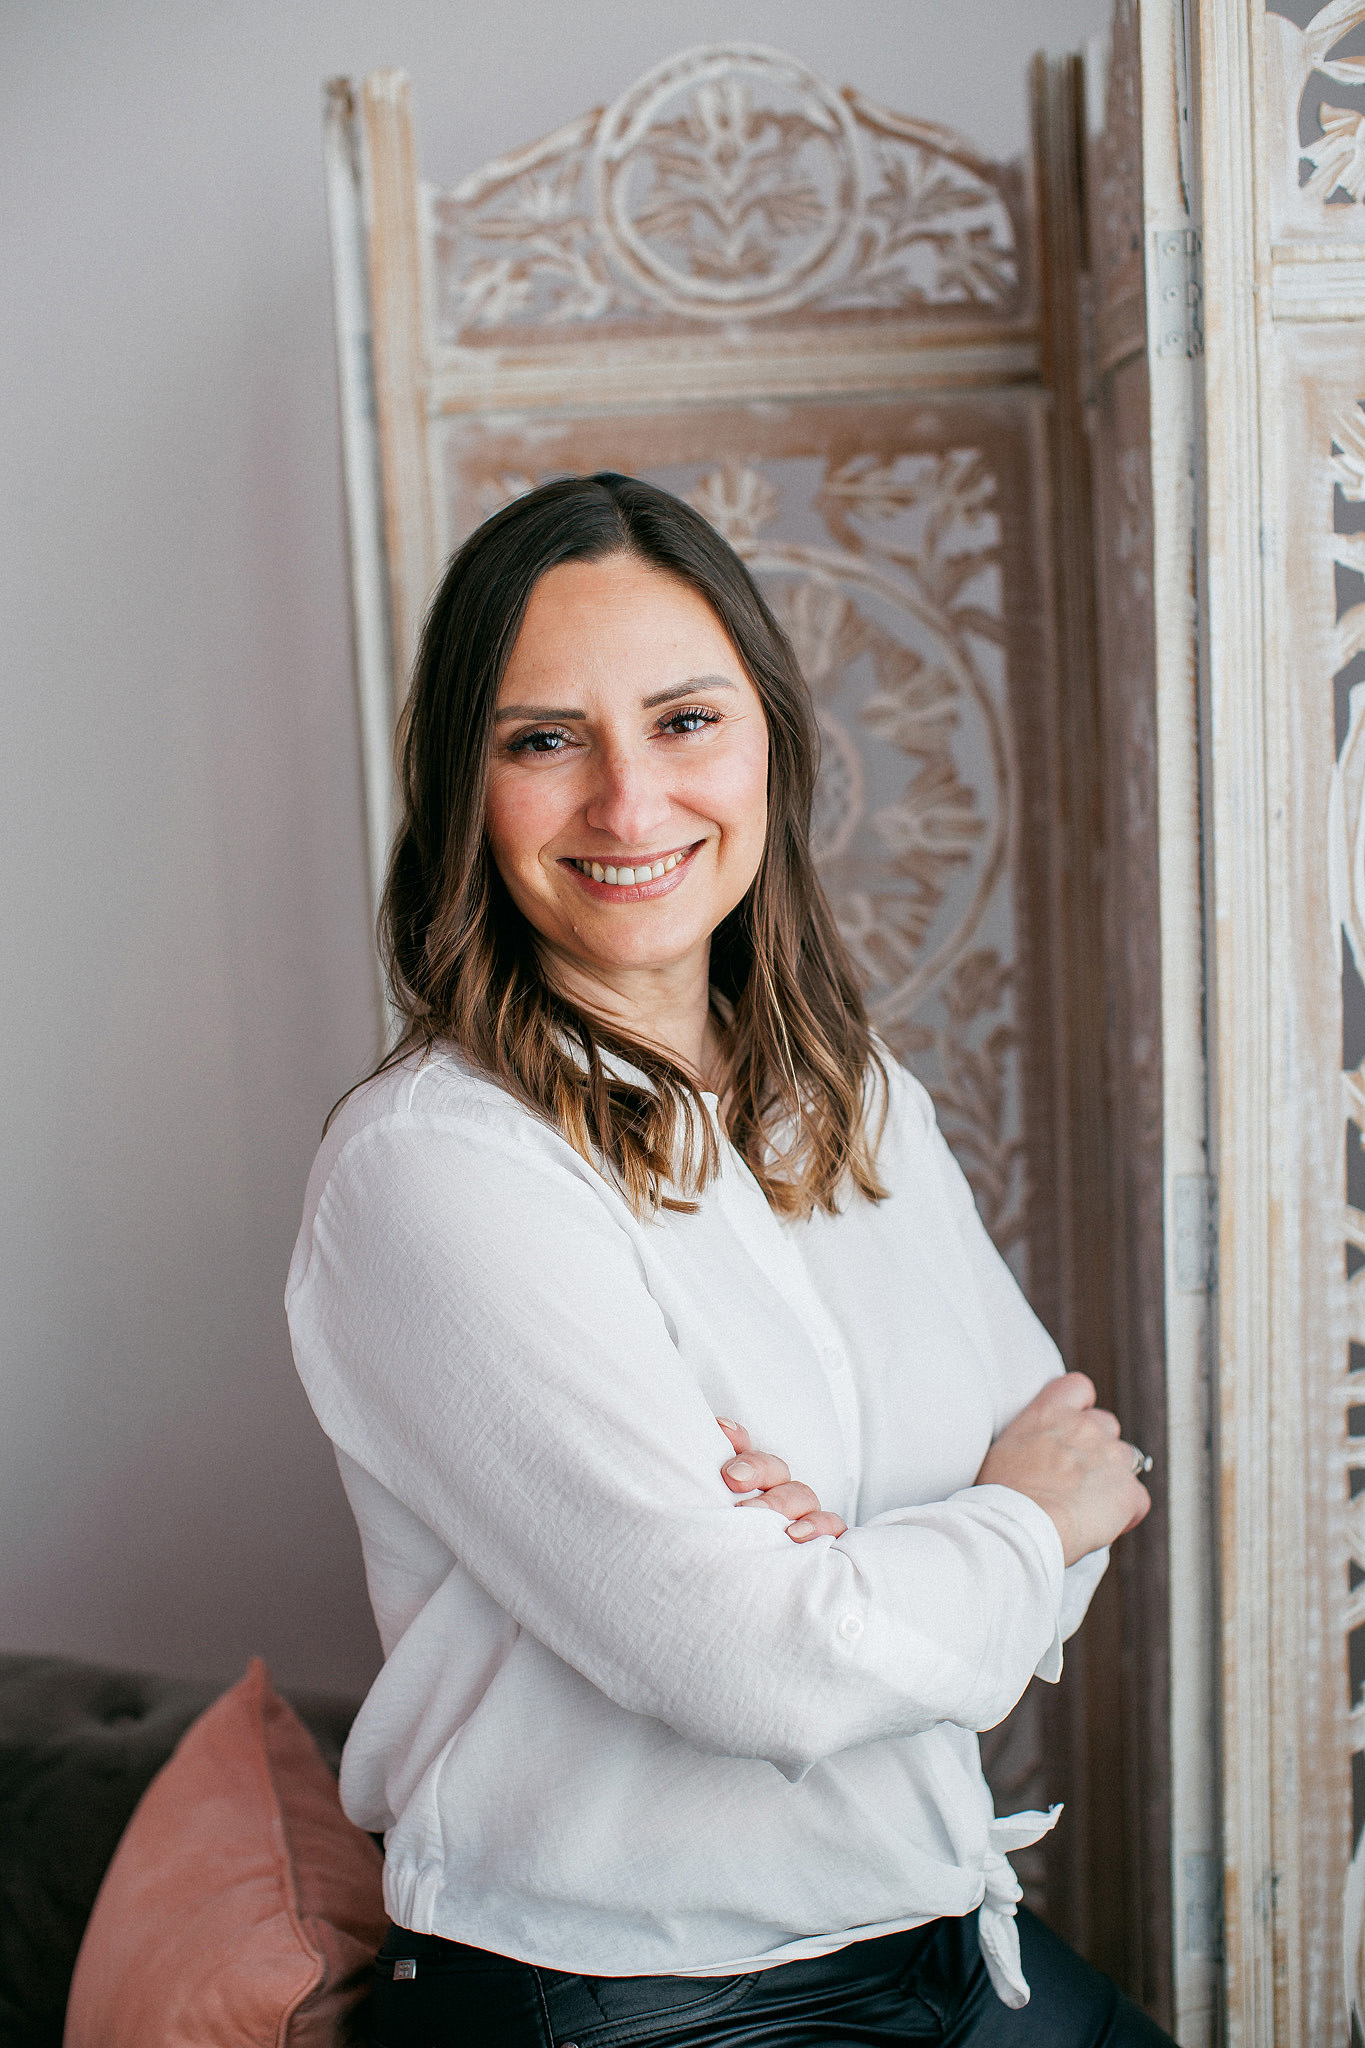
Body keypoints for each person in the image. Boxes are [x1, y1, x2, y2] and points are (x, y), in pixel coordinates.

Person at [286, 472, 1171, 2047]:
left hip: (949, 1937)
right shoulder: (436, 1168)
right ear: (462, 786)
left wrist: (889, 1570)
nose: (629, 805)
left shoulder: (851, 1097)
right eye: (543, 739)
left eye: (683, 720)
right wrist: (981, 1535)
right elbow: (756, 1670)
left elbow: (1087, 1477)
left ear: (767, 738)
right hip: (628, 2003)